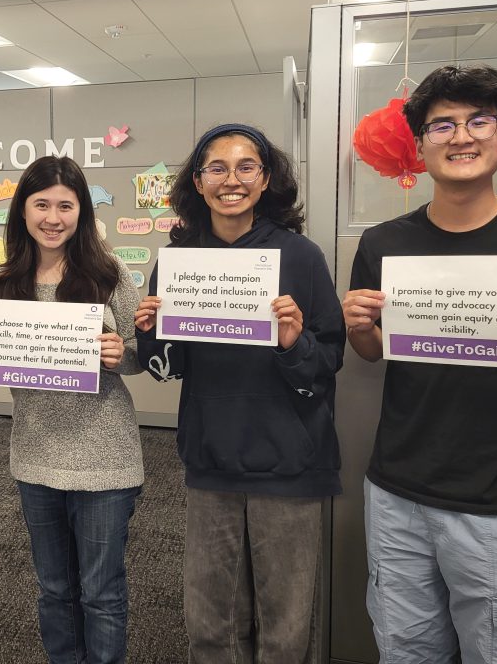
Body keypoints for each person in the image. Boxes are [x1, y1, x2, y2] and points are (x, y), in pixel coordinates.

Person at [344, 64, 497, 664]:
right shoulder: (384, 243)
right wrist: (359, 328)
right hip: (398, 487)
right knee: (405, 647)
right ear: (419, 145)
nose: (462, 137)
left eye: (480, 120)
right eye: (442, 125)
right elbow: (373, 352)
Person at [135, 124, 344, 663]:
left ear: (266, 177)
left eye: (246, 166)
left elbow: (329, 361)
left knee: (286, 628)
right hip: (211, 460)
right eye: (217, 168)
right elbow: (165, 368)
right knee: (210, 624)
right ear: (198, 183)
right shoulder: (179, 259)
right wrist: (150, 332)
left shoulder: (301, 256)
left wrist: (293, 343)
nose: (232, 179)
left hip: (291, 463)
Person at [0, 155, 144, 664]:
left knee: (102, 593)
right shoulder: (1, 286)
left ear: (82, 213)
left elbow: (141, 354)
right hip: (36, 459)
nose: (53, 217)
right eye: (41, 204)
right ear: (22, 211)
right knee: (54, 590)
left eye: (66, 205)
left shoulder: (111, 275)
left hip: (106, 463)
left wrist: (120, 354)